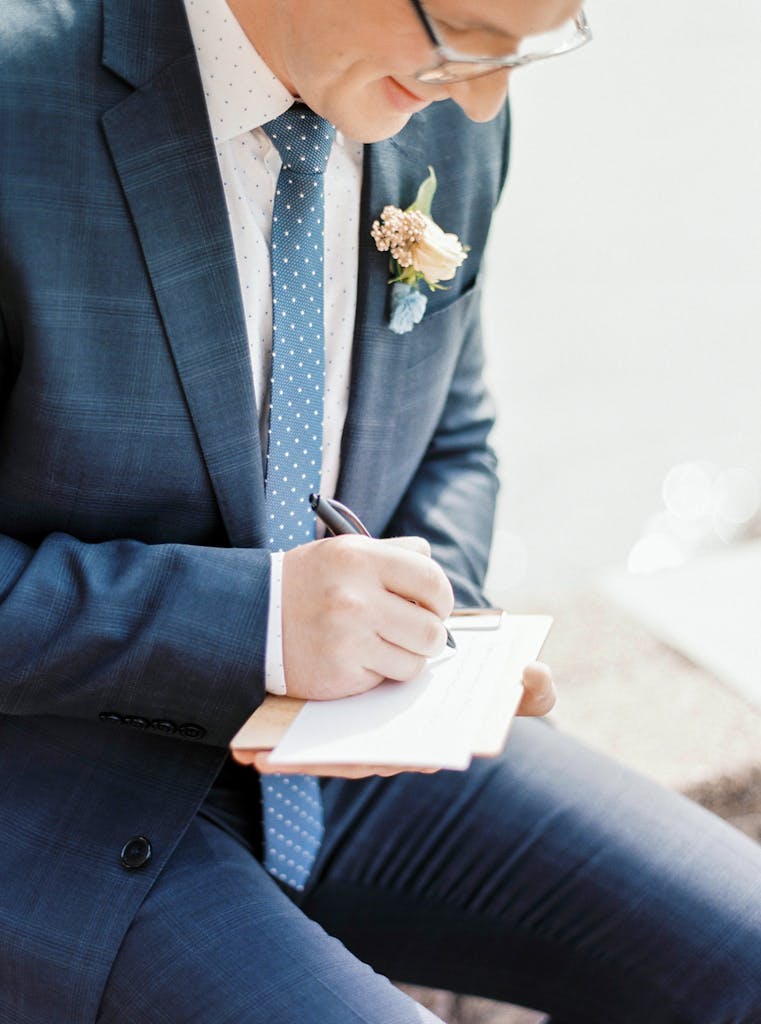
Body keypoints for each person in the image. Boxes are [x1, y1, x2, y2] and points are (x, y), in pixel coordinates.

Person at [1, 1, 760, 1022]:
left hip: (354, 758)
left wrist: (430, 639)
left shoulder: (436, 98)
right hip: (53, 790)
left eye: (526, 48)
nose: (487, 96)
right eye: (461, 34)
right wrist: (261, 627)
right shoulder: (17, 102)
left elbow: (452, 422)